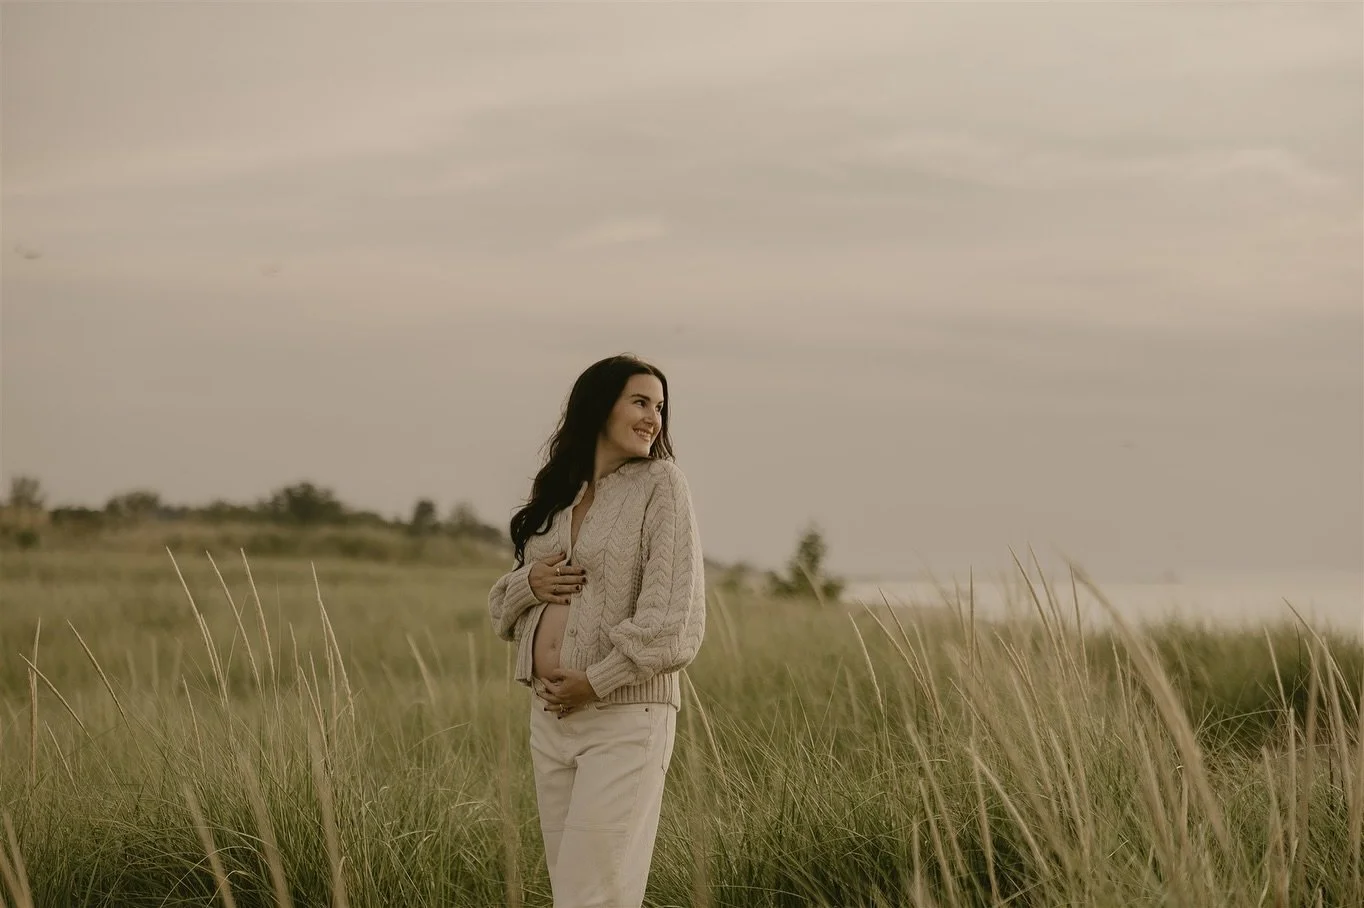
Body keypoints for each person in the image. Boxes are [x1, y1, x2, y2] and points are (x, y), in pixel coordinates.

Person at [487, 353, 706, 908]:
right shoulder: (561, 495)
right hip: (549, 721)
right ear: (598, 406)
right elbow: (499, 611)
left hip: (625, 718)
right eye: (639, 401)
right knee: (572, 892)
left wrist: (597, 679)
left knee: (596, 896)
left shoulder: (662, 485)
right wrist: (528, 584)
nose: (652, 418)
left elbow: (673, 623)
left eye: (659, 407)